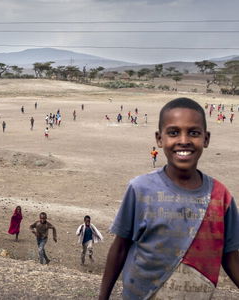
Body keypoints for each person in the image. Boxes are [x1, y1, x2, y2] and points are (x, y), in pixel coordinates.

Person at [99, 97, 239, 300]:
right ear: (159, 138)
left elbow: (231, 256)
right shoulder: (140, 189)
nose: (184, 140)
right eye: (173, 133)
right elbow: (119, 248)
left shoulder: (221, 196)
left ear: (206, 139)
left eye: (194, 133)